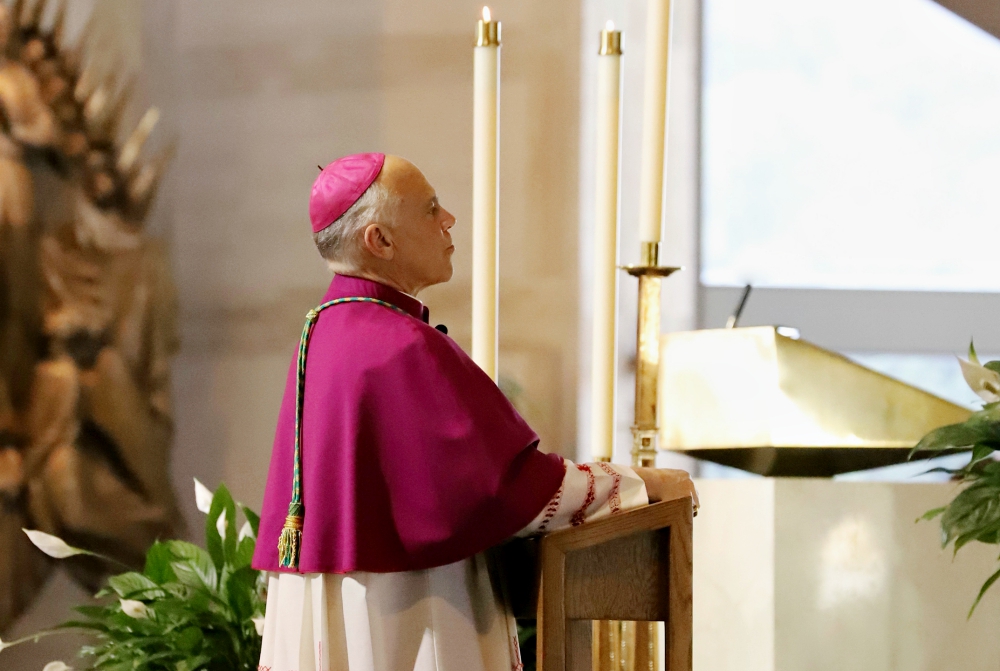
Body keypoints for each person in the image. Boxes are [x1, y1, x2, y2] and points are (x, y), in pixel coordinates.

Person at [252, 153, 698, 671]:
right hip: (409, 612)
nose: (449, 221)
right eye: (431, 209)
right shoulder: (397, 346)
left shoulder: (323, 331)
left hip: (355, 602)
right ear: (380, 240)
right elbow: (506, 492)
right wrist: (642, 485)